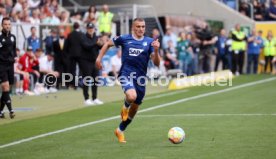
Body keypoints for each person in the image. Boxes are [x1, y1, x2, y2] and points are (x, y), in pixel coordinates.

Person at [96, 18, 161, 143]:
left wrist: (157, 50)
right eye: (138, 26)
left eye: (143, 26)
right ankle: (125, 106)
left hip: (141, 79)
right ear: (133, 27)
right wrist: (99, 58)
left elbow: (157, 63)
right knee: (131, 96)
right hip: (126, 74)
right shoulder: (124, 38)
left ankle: (120, 130)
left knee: (135, 109)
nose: (141, 29)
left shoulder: (150, 42)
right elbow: (107, 44)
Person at [80, 22, 103, 105]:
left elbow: (100, 47)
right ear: (87, 29)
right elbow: (86, 46)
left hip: (94, 61)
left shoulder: (96, 37)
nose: (91, 30)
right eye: (89, 28)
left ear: (94, 29)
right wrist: (96, 43)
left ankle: (95, 98)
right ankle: (86, 99)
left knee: (95, 80)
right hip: (86, 61)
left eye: (92, 28)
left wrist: (101, 44)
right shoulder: (83, 37)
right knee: (86, 79)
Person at [0, 17, 16, 119]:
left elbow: (14, 51)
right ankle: (11, 110)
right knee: (5, 87)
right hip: (1, 65)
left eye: (9, 24)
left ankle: (0, 111)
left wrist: (14, 58)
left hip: (11, 65)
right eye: (5, 24)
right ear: (2, 25)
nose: (7, 26)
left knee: (7, 90)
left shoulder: (13, 37)